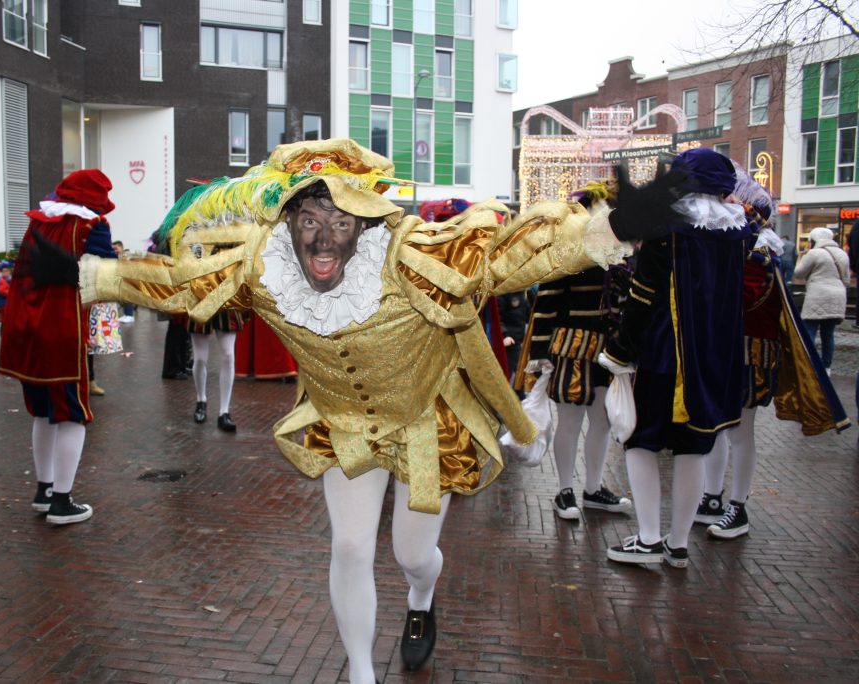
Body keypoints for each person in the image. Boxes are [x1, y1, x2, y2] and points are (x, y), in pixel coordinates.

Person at [59, 139, 685, 681]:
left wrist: (605, 229)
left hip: (427, 423)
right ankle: (360, 672)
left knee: (412, 554)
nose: (323, 234)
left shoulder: (414, 257)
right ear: (288, 221)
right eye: (308, 216)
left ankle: (421, 594)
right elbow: (179, 283)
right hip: (345, 426)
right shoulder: (262, 266)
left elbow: (507, 254)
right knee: (353, 547)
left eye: (340, 216)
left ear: (364, 220)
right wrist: (88, 274)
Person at [600, 148, 750, 569]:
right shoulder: (737, 232)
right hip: (714, 358)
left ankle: (648, 539)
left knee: (639, 440)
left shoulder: (667, 229)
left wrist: (619, 351)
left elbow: (642, 295)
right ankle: (678, 544)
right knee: (692, 449)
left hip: (664, 355)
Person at [697, 177, 850, 539]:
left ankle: (738, 506)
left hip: (749, 355)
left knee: (738, 431)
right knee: (717, 428)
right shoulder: (744, 252)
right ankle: (712, 497)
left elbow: (735, 300)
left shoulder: (757, 257)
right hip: (727, 352)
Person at [0, 169, 118, 525]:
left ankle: (44, 490)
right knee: (73, 413)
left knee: (42, 412)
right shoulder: (90, 226)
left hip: (25, 328)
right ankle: (62, 502)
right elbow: (105, 275)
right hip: (62, 330)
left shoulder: (38, 223)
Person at [524, 182, 632, 521]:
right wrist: (539, 352)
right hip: (571, 346)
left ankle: (594, 487)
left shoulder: (622, 253)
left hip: (608, 349)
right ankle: (564, 489)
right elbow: (546, 303)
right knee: (570, 421)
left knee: (601, 421)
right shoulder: (568, 250)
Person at [794, 226, 849, 374]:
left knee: (809, 330)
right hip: (838, 295)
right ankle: (827, 367)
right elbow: (847, 279)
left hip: (817, 295)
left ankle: (809, 364)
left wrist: (803, 257)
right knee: (828, 334)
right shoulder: (842, 254)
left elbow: (798, 273)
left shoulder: (814, 253)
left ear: (814, 239)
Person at [188, 308, 243, 432]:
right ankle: (201, 400)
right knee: (200, 358)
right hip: (201, 299)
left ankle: (224, 412)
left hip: (226, 302)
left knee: (228, 355)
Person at [112, 241, 137, 323]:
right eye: (113, 249)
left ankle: (130, 316)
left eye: (116, 248)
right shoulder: (119, 256)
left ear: (121, 247)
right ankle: (126, 314)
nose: (115, 250)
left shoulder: (126, 256)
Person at [0, 260, 13, 328]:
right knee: (7, 321)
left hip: (0, 304)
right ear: (4, 270)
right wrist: (12, 293)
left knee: (4, 320)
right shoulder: (1, 280)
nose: (9, 275)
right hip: (4, 304)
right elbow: (3, 291)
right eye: (9, 272)